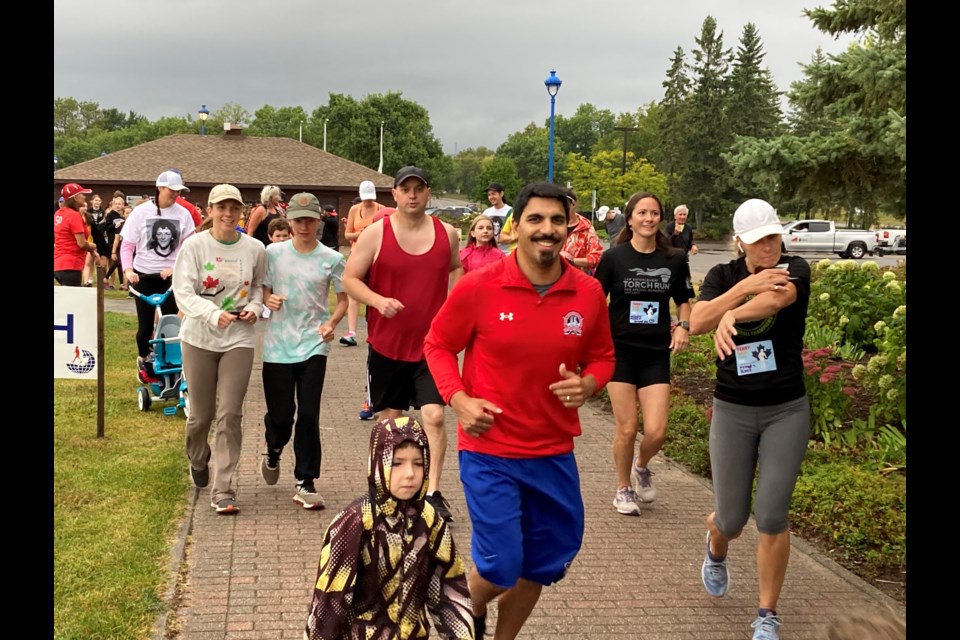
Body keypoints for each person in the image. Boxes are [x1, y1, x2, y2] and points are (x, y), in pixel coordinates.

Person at [423, 181, 616, 639]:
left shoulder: (587, 293)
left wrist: (588, 384)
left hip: (553, 453)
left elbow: (605, 357)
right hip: (490, 451)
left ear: (568, 226)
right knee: (501, 564)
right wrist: (459, 398)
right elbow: (437, 344)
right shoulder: (479, 287)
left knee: (541, 565)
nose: (546, 229)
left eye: (555, 220)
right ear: (517, 226)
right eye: (535, 219)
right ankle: (454, 607)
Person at [689, 198, 811, 640]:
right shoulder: (723, 276)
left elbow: (777, 300)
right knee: (732, 519)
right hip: (734, 409)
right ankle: (715, 543)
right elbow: (697, 320)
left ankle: (766, 614)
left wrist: (732, 315)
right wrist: (738, 293)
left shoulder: (794, 266)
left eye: (774, 236)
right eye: (760, 240)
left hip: (786, 409)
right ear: (739, 242)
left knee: (772, 514)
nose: (770, 246)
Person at [343, 165, 463, 523]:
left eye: (419, 189)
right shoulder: (376, 234)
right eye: (405, 189)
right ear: (393, 194)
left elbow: (455, 268)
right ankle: (386, 488)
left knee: (435, 416)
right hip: (387, 343)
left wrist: (452, 304)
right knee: (391, 420)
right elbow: (350, 279)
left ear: (428, 193)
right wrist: (378, 301)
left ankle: (433, 492)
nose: (412, 195)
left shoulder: (449, 234)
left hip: (432, 345)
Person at [303, 416, 474, 639]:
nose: (410, 473)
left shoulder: (429, 520)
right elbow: (329, 604)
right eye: (397, 463)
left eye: (419, 463)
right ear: (378, 463)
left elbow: (449, 592)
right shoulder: (355, 522)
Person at [594, 191, 692, 516]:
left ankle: (641, 464)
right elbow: (595, 301)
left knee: (657, 430)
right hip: (619, 352)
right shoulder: (614, 258)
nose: (648, 219)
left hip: (654, 353)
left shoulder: (674, 258)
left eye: (654, 213)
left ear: (660, 219)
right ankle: (623, 489)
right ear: (630, 218)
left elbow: (684, 300)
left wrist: (683, 326)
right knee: (626, 428)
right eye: (642, 213)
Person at [173, 184, 266, 515]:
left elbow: (258, 287)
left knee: (230, 413)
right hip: (198, 338)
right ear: (209, 210)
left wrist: (255, 307)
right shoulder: (195, 246)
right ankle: (198, 458)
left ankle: (223, 488)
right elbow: (182, 292)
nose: (228, 214)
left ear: (242, 212)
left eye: (234, 208)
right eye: (221, 208)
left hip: (239, 339)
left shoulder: (254, 249)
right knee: (201, 416)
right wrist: (213, 314)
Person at [259, 193, 348, 510]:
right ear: (290, 221)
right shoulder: (273, 253)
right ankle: (273, 448)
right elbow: (264, 287)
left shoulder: (332, 258)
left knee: (309, 414)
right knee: (282, 417)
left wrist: (332, 323)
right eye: (298, 220)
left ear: (319, 221)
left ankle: (306, 480)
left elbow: (343, 299)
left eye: (310, 219)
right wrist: (268, 299)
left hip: (314, 344)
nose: (304, 226)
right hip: (278, 346)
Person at [120, 170, 197, 382]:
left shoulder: (183, 214)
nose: (174, 195)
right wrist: (128, 270)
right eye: (171, 191)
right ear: (160, 188)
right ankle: (144, 360)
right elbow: (127, 245)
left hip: (170, 277)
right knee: (145, 328)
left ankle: (169, 366)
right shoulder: (141, 212)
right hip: (143, 275)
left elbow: (190, 246)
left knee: (170, 325)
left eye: (178, 192)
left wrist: (176, 267)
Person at [341, 180, 385, 347]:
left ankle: (375, 331)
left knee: (376, 292)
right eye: (365, 198)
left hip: (375, 256)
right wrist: (362, 233)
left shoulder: (381, 209)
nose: (367, 201)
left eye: (370, 198)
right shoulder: (354, 209)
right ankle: (351, 332)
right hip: (357, 253)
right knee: (354, 292)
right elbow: (347, 235)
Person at [54, 183, 99, 286]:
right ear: (74, 197)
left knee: (66, 299)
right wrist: (92, 247)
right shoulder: (74, 215)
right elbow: (82, 243)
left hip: (58, 263)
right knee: (72, 301)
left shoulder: (59, 213)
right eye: (81, 194)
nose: (84, 196)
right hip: (71, 264)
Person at [559, 189, 603, 274]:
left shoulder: (586, 228)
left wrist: (572, 261)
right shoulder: (551, 224)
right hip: (550, 279)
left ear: (573, 204)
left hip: (577, 279)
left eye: (564, 204)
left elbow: (597, 257)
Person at [481, 182, 512, 249]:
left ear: (501, 194)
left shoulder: (511, 211)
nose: (491, 197)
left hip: (506, 252)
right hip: (490, 251)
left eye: (493, 194)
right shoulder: (487, 213)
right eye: (489, 195)